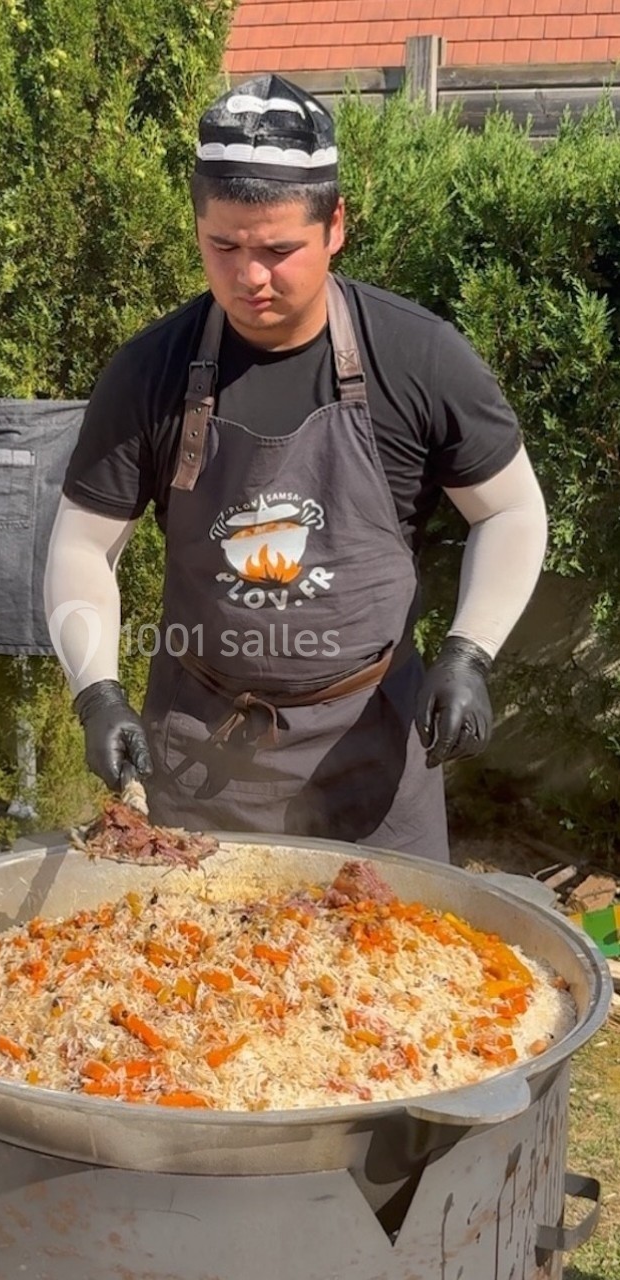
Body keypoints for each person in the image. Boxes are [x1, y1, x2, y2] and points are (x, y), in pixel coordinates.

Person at [45, 75, 547, 862]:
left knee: (392, 941)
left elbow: (510, 510)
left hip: (373, 756)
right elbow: (83, 544)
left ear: (335, 224)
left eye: (279, 250)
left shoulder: (418, 357)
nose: (250, 277)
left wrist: (469, 652)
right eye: (224, 247)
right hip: (203, 757)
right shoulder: (149, 372)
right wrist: (97, 692)